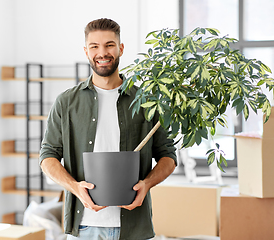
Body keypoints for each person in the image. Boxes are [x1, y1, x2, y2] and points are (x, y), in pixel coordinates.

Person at [39, 18, 177, 240]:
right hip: (83, 227)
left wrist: (147, 184)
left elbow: (168, 156)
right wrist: (75, 188)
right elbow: (47, 156)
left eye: (109, 45)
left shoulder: (146, 101)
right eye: (94, 46)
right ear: (86, 51)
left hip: (133, 228)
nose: (102, 53)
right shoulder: (66, 102)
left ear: (121, 48)